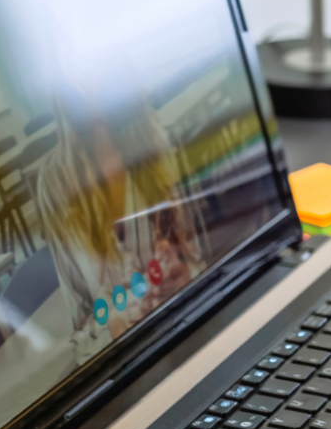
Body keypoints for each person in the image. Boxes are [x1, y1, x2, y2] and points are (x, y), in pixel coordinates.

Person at [37, 77, 207, 370]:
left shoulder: (155, 143)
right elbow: (79, 323)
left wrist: (185, 280)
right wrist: (112, 333)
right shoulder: (54, 183)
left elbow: (195, 261)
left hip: (185, 333)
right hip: (120, 368)